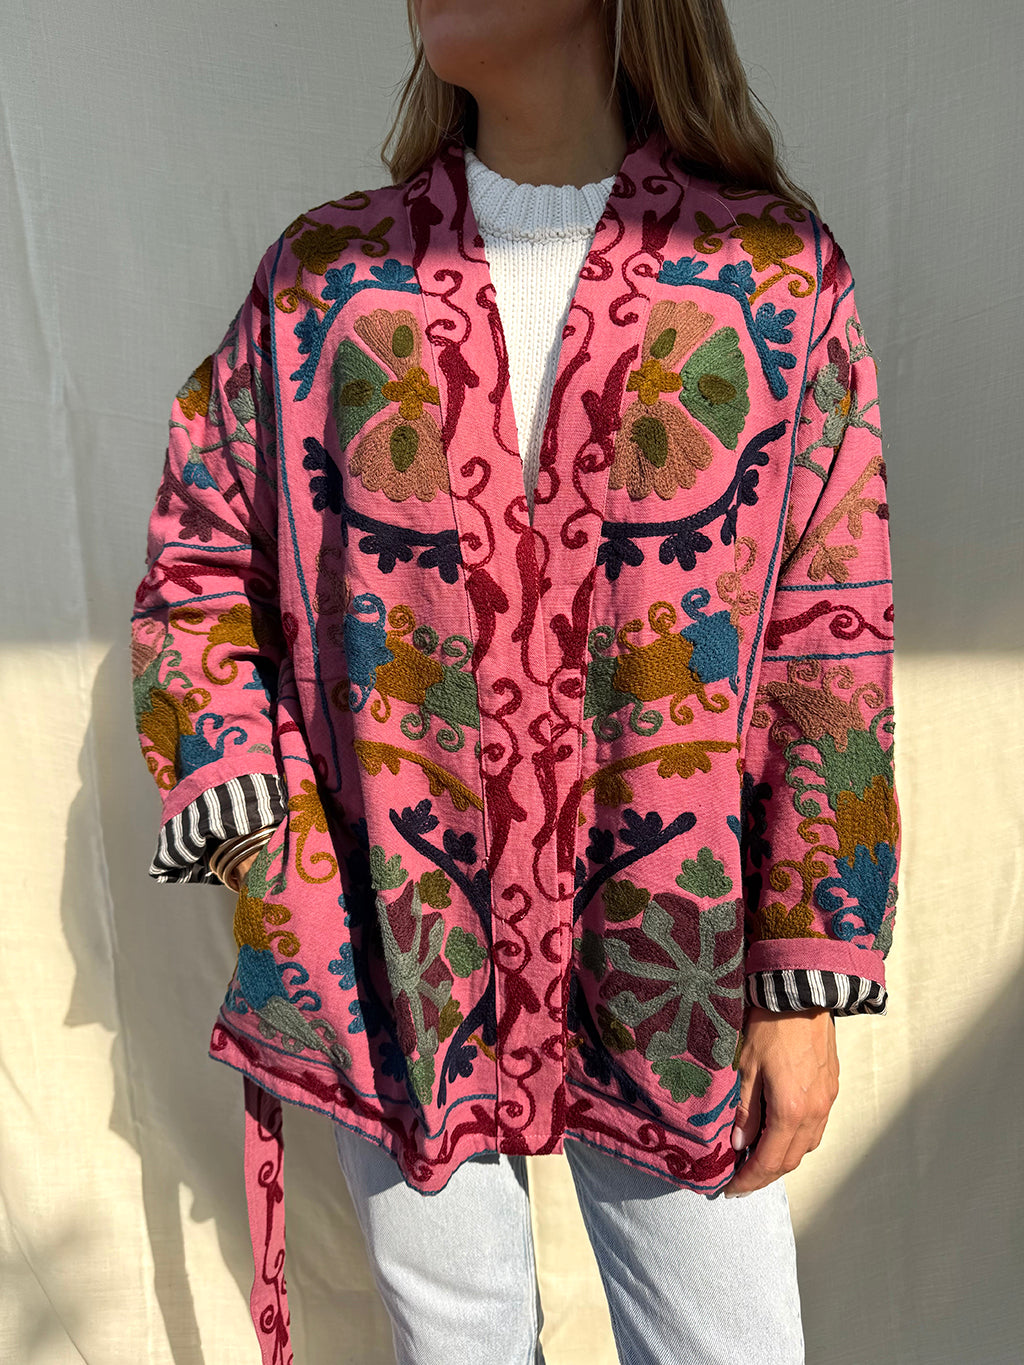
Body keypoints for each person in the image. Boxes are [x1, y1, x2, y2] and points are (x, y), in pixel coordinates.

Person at [129, 1, 901, 1361]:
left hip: (675, 951)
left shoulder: (771, 273)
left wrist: (805, 964)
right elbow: (201, 554)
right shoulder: (327, 281)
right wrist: (261, 823)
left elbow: (828, 633)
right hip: (394, 939)